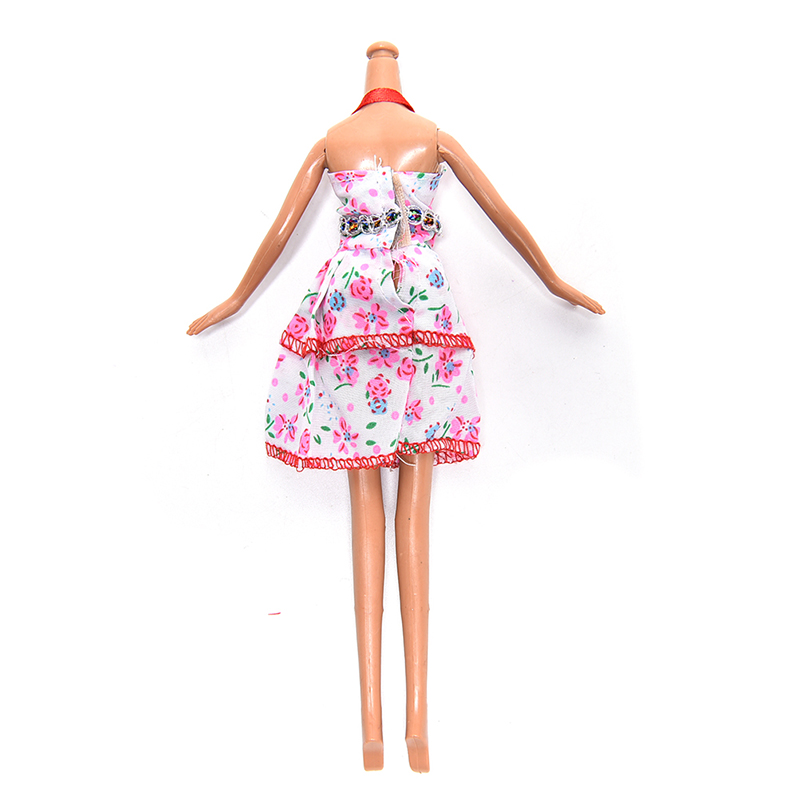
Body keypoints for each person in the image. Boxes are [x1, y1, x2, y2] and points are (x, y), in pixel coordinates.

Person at [187, 41, 603, 772]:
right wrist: (552, 279)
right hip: (418, 307)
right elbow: (504, 216)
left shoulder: (335, 140)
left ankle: (375, 727)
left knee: (366, 501)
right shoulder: (431, 137)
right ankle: (412, 720)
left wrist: (235, 299)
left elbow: (277, 235)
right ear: (399, 77)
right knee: (414, 503)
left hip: (352, 310)